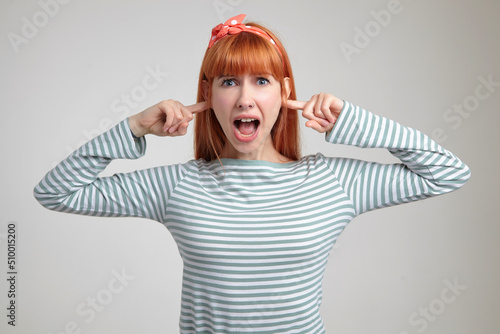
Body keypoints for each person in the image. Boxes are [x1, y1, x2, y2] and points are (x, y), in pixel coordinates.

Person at [34, 14, 470, 334]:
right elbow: (56, 193)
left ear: (285, 93)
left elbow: (447, 173)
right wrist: (133, 127)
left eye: (261, 80)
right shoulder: (178, 186)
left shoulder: (333, 183)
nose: (244, 98)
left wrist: (352, 121)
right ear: (207, 96)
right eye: (227, 82)